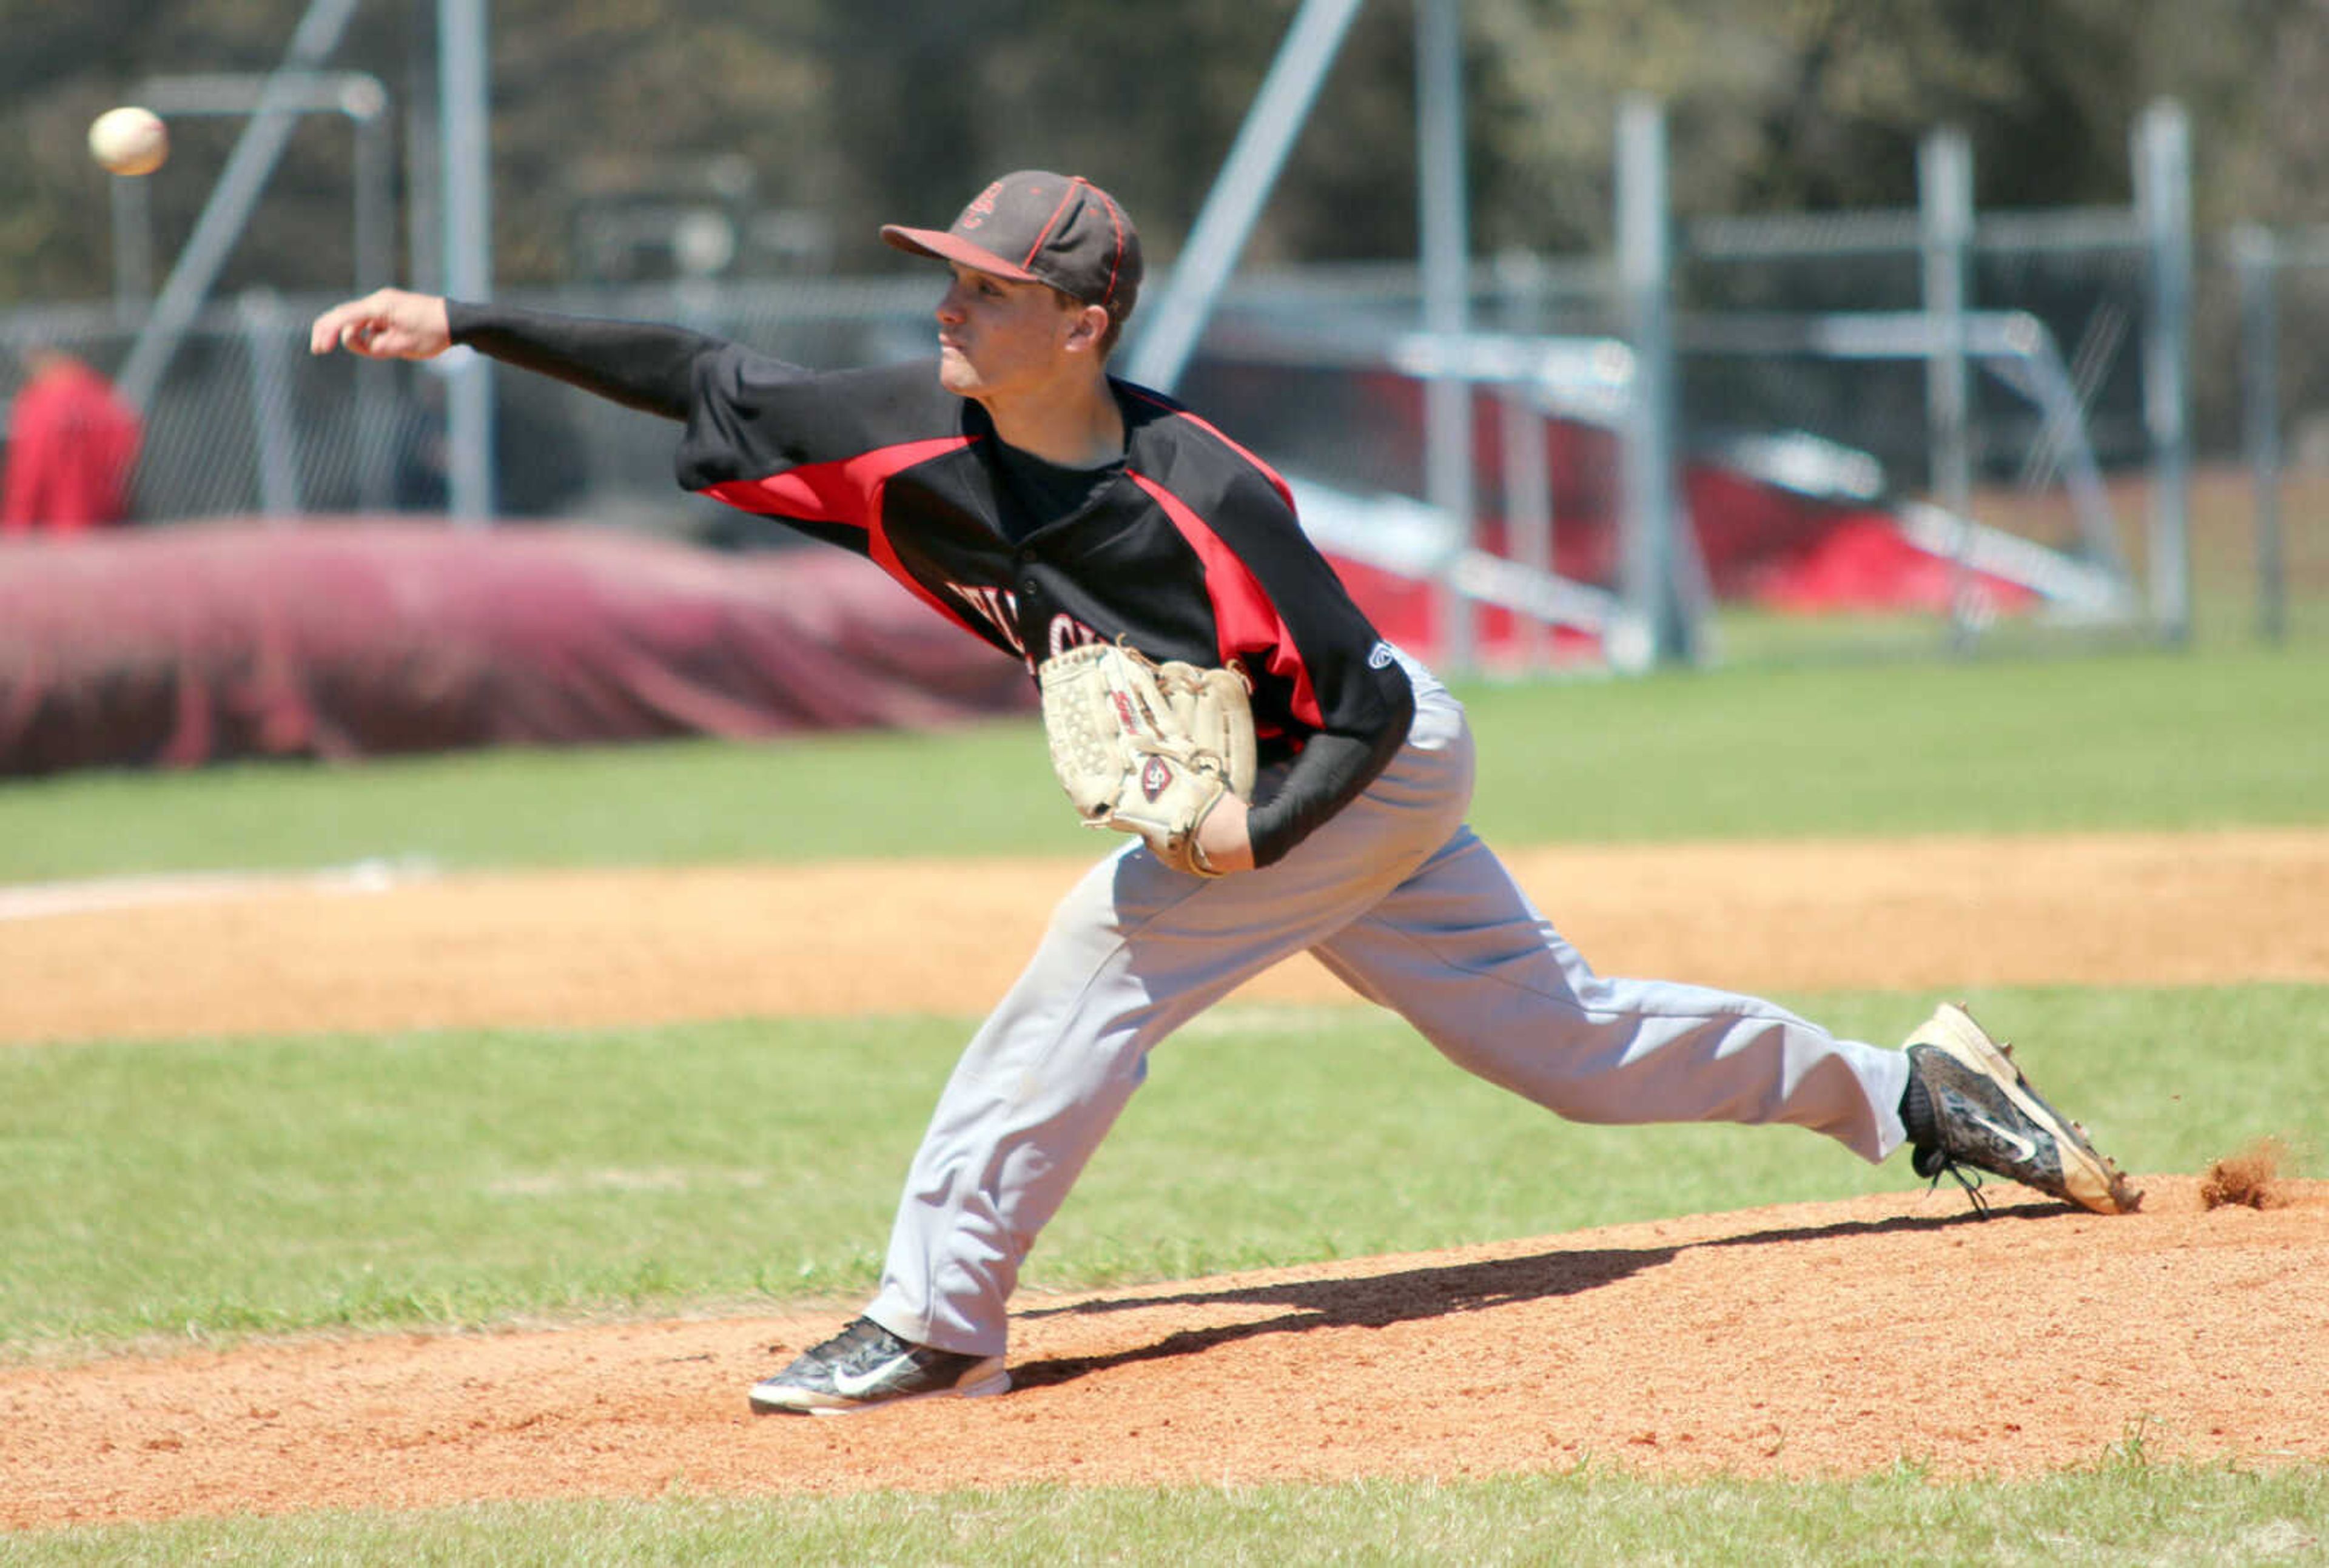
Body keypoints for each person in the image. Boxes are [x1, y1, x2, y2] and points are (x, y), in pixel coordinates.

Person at [309, 169, 2135, 1417]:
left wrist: (1249, 839)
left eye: (986, 287)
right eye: (946, 276)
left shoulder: (1201, 498)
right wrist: (455, 317)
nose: (945, 304)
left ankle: (934, 1320)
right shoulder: (897, 424)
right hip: (1295, 786)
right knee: (1565, 1048)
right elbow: (698, 374)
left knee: (1097, 956)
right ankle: (1915, 1087)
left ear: (1082, 319)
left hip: (1363, 766)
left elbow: (1351, 706)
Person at [1, 346, 143, 535]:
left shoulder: (40, 401)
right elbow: (123, 446)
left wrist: (17, 523)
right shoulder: (99, 393)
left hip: (59, 519)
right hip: (102, 513)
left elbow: (30, 471)